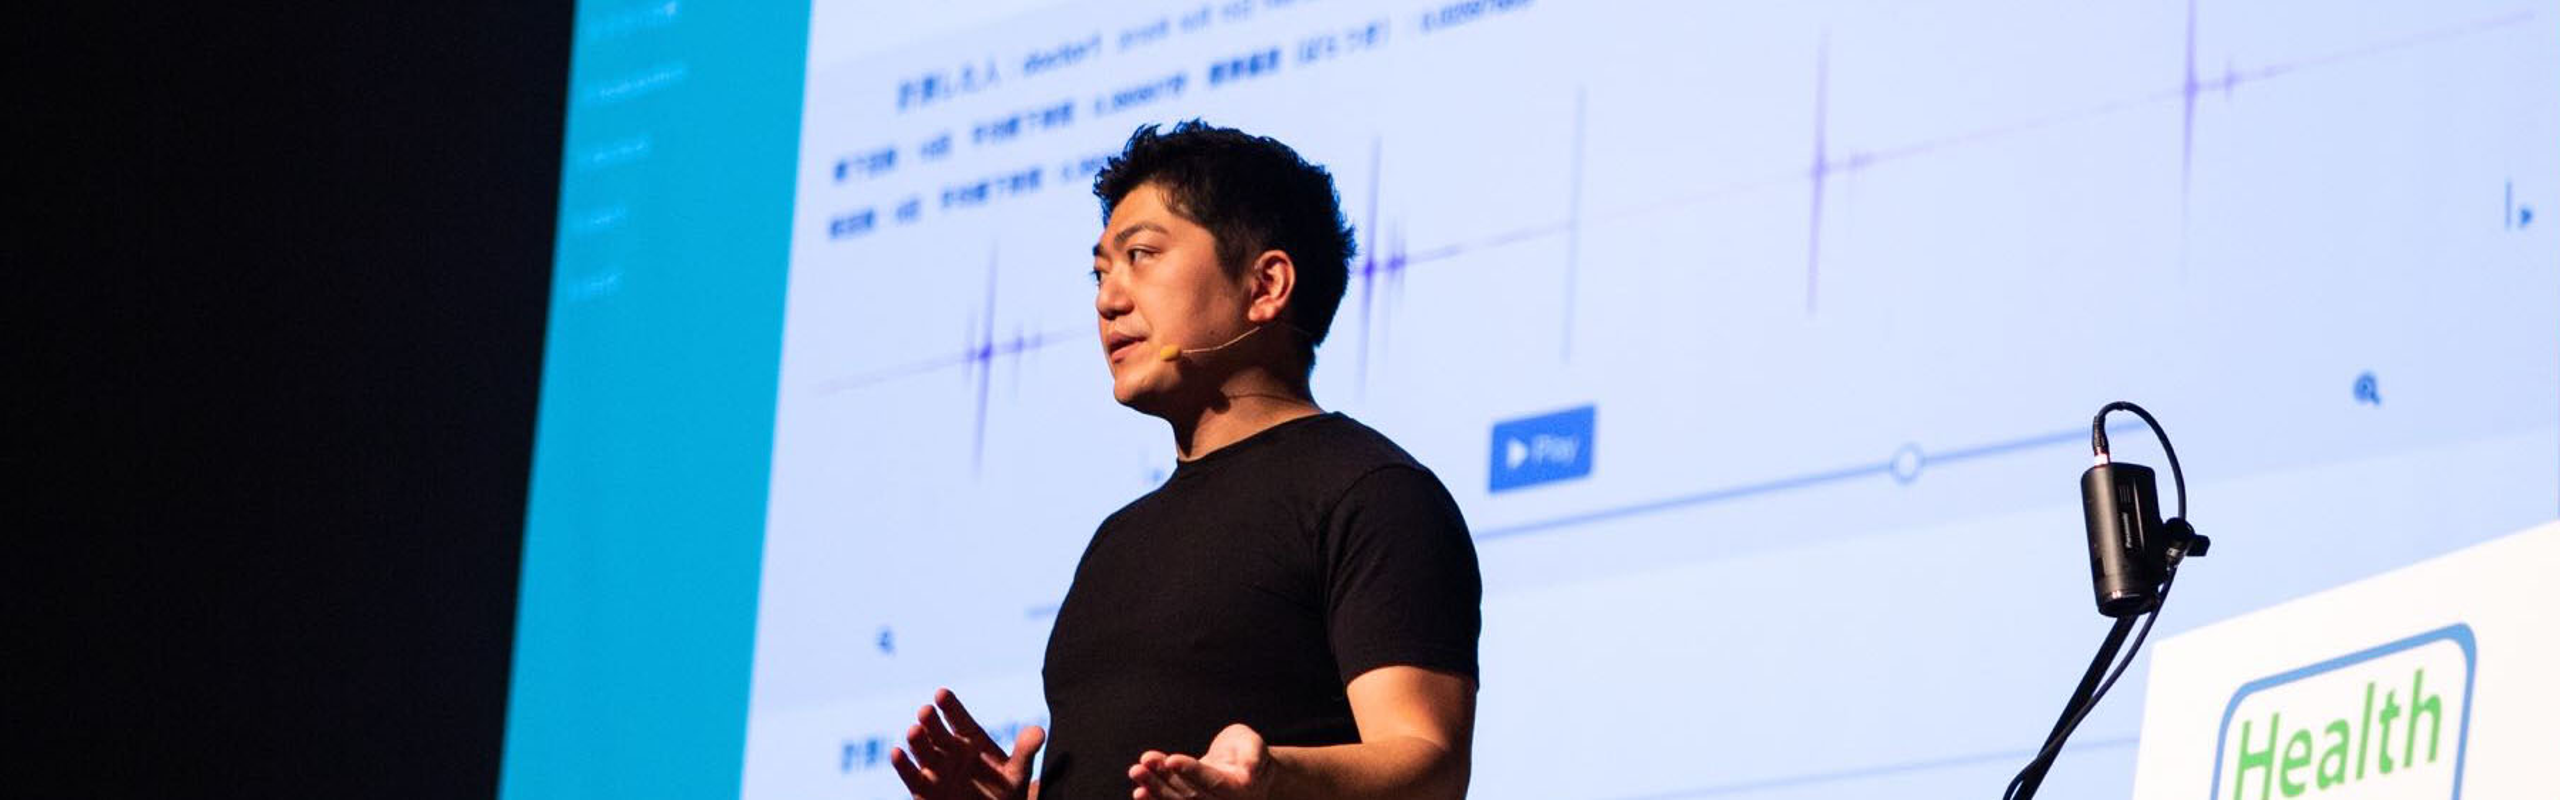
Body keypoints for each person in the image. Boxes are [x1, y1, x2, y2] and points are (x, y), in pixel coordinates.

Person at [887, 121, 1483, 800]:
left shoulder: (1370, 493)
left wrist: (1271, 781)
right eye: (1100, 273)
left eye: (1141, 255)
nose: (1108, 300)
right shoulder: (1116, 539)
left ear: (1266, 285)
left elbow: (1429, 763)